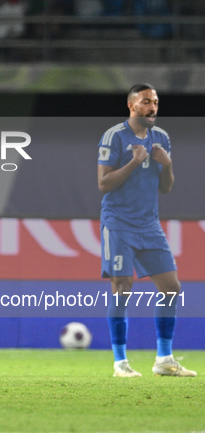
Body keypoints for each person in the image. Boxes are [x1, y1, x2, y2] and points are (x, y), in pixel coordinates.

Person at [98, 83, 196, 378]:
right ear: (131, 105)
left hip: (149, 225)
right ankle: (120, 363)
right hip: (118, 223)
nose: (152, 107)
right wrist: (134, 161)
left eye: (155, 102)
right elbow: (103, 184)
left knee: (171, 287)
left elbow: (165, 187)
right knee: (122, 288)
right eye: (145, 102)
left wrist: (166, 165)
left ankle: (164, 359)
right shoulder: (114, 136)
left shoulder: (161, 138)